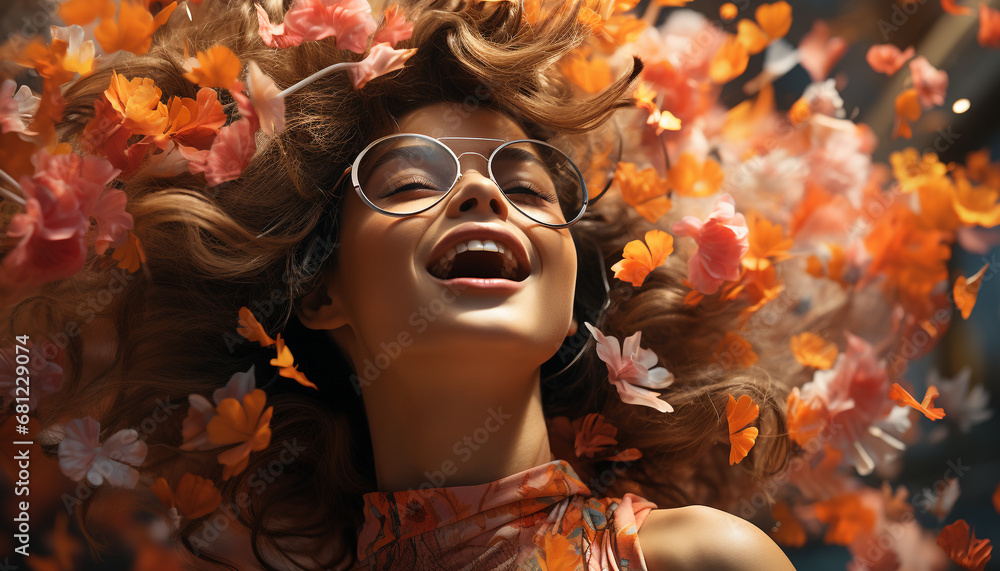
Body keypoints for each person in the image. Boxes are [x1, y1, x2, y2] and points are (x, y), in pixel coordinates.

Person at [1, 0, 849, 569]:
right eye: (410, 183)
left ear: (571, 297)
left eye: (525, 187)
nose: (483, 195)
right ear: (320, 292)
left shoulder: (694, 558)